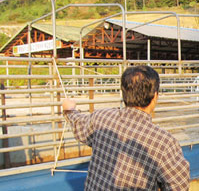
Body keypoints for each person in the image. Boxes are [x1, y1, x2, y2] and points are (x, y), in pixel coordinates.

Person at [62, 65, 190, 190]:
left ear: (123, 92)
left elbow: (79, 125)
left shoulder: (101, 118)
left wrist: (69, 110)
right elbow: (178, 186)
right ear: (155, 96)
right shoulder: (164, 143)